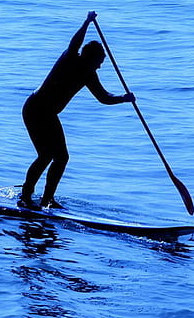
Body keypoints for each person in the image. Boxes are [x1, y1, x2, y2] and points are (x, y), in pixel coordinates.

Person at [19, 11, 135, 209]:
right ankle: (26, 196)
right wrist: (87, 22)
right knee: (46, 155)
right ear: (91, 58)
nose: (99, 67)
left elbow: (104, 98)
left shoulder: (88, 74)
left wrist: (124, 99)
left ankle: (47, 200)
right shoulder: (70, 58)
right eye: (99, 62)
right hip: (35, 109)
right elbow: (76, 41)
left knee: (61, 157)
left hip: (49, 114)